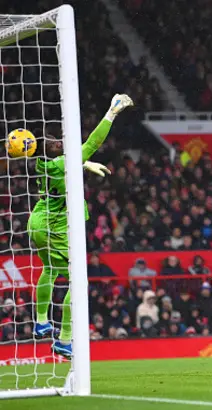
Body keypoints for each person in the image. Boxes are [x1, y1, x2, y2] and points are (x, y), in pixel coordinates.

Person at [28, 94, 133, 359]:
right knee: (78, 282)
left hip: (37, 220)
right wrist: (112, 113)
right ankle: (64, 339)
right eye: (52, 143)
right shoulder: (62, 162)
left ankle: (41, 321)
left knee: (49, 270)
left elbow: (68, 161)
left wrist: (84, 164)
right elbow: (93, 142)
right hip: (54, 226)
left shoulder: (46, 164)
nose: (58, 142)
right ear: (44, 151)